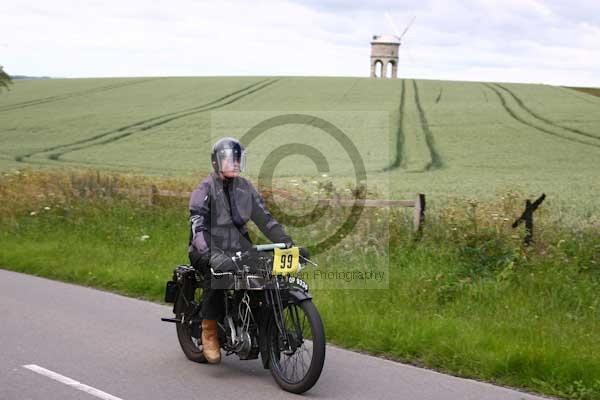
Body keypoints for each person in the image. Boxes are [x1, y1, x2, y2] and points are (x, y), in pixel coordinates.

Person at [188, 137, 295, 364]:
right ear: (217, 162)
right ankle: (208, 331)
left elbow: (265, 220)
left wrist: (286, 242)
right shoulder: (205, 188)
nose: (235, 163)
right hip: (207, 248)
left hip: (238, 247)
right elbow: (198, 225)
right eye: (229, 159)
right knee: (220, 276)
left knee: (264, 273)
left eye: (238, 159)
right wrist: (208, 254)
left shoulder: (245, 189)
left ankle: (255, 325)